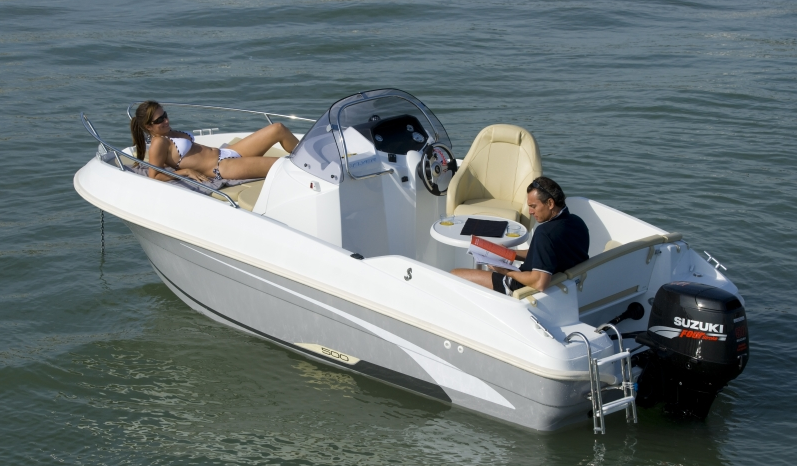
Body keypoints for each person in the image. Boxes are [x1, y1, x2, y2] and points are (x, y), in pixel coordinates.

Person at [451, 177, 589, 295]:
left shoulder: (544, 233)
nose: (530, 212)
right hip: (564, 288)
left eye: (533, 206)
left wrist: (505, 271)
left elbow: (540, 283)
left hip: (518, 288)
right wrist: (509, 253)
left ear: (550, 203)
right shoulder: (577, 223)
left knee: (454, 275)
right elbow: (545, 253)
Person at [130, 101, 300, 182]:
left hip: (228, 152)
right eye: (159, 120)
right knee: (283, 165)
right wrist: (186, 171)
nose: (166, 121)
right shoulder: (158, 143)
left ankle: (309, 158)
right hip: (222, 167)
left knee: (278, 128)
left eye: (165, 115)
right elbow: (154, 175)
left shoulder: (168, 132)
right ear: (148, 126)